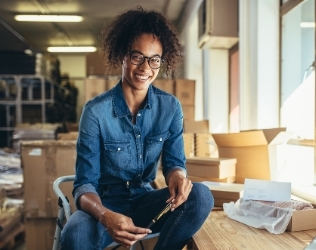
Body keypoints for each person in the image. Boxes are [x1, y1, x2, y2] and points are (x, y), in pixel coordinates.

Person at [60, 6, 214, 250]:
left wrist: (179, 179)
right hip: (104, 205)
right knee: (75, 232)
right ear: (123, 54)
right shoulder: (96, 112)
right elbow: (84, 185)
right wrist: (104, 215)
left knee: (201, 195)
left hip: (145, 201)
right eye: (137, 57)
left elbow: (174, 163)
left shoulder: (170, 107)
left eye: (154, 60)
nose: (145, 68)